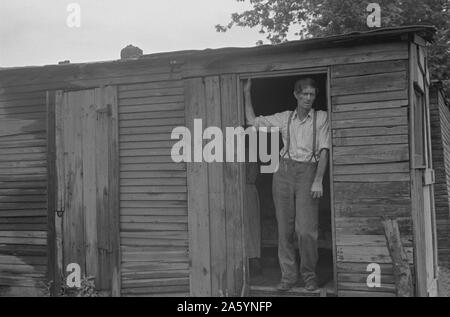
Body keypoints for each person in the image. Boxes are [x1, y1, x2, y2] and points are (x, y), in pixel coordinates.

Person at [244, 78, 330, 292]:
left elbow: (324, 150)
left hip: (308, 172)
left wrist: (318, 179)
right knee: (285, 229)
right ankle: (288, 276)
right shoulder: (285, 118)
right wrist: (247, 93)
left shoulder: (321, 118)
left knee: (306, 231)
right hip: (283, 172)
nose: (308, 98)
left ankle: (309, 275)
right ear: (296, 95)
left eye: (312, 94)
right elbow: (252, 121)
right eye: (304, 94)